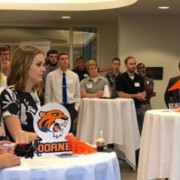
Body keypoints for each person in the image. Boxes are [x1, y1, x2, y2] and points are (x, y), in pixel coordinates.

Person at [0, 45, 45, 142]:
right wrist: (50, 136)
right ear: (24, 65)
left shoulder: (34, 94)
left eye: (43, 65)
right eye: (38, 64)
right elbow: (17, 135)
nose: (43, 69)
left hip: (37, 152)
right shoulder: (9, 94)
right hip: (19, 154)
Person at [45, 52, 80, 134]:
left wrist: (76, 108)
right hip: (56, 107)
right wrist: (49, 108)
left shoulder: (74, 76)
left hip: (71, 107)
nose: (65, 61)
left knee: (69, 131)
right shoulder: (51, 75)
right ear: (58, 61)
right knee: (56, 131)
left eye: (66, 59)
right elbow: (48, 95)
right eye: (62, 59)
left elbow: (77, 94)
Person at [116, 56, 146, 135]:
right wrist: (136, 96)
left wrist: (143, 96)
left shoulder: (139, 77)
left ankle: (139, 146)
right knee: (127, 131)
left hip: (139, 108)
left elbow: (144, 91)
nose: (133, 66)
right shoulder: (121, 77)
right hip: (126, 109)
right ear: (126, 65)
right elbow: (120, 94)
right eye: (131, 64)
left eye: (134, 64)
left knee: (140, 130)